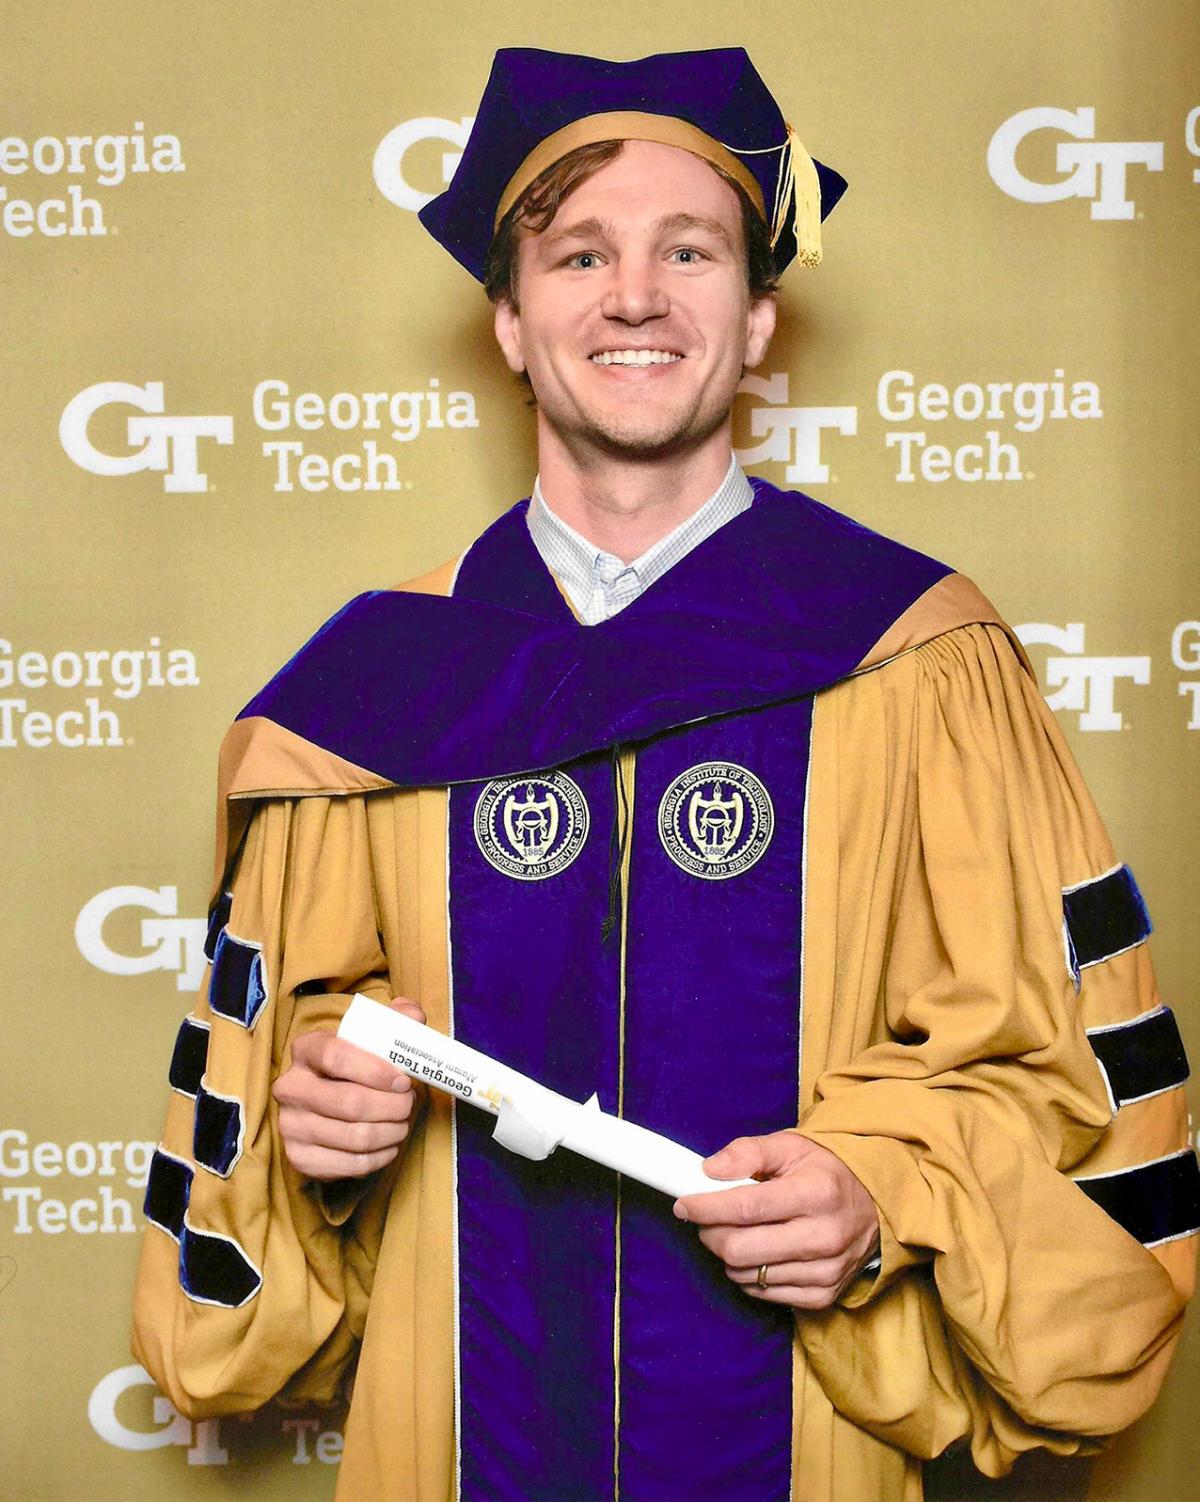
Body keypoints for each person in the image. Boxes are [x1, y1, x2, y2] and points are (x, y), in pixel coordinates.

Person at [131, 47, 1198, 1502]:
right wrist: (315, 1119)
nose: (633, 296)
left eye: (687, 249)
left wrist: (886, 1191)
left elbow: (1066, 1082)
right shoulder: (377, 689)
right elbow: (276, 1086)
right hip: (454, 1434)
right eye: (579, 254)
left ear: (759, 317)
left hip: (807, 1438)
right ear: (511, 320)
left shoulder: (916, 662)